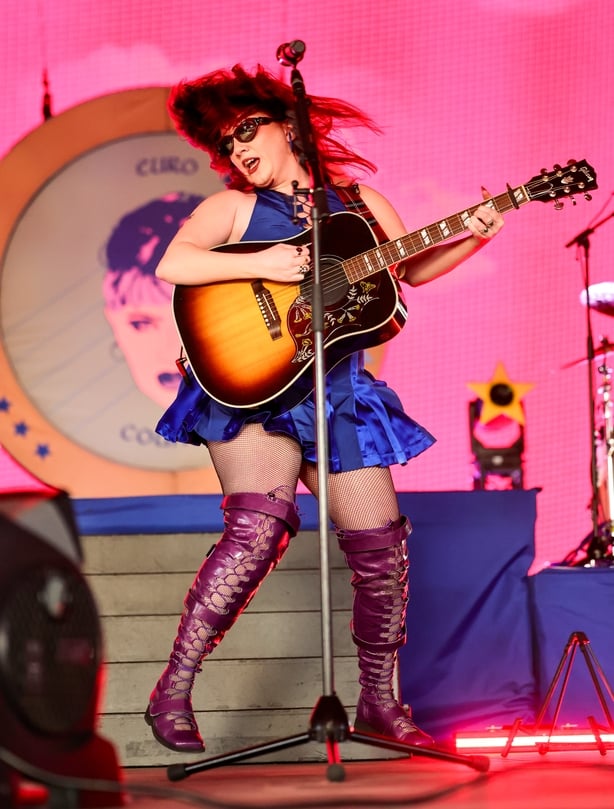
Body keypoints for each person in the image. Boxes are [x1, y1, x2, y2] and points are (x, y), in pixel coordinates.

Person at [145, 63, 504, 753]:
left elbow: (409, 271)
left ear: (288, 125)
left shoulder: (361, 204)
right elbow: (175, 263)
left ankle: (378, 704)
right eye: (225, 143)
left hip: (338, 389)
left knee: (382, 550)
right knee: (257, 529)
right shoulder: (233, 209)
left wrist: (477, 233)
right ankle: (173, 690)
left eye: (246, 130)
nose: (237, 150)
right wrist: (262, 264)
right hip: (254, 389)